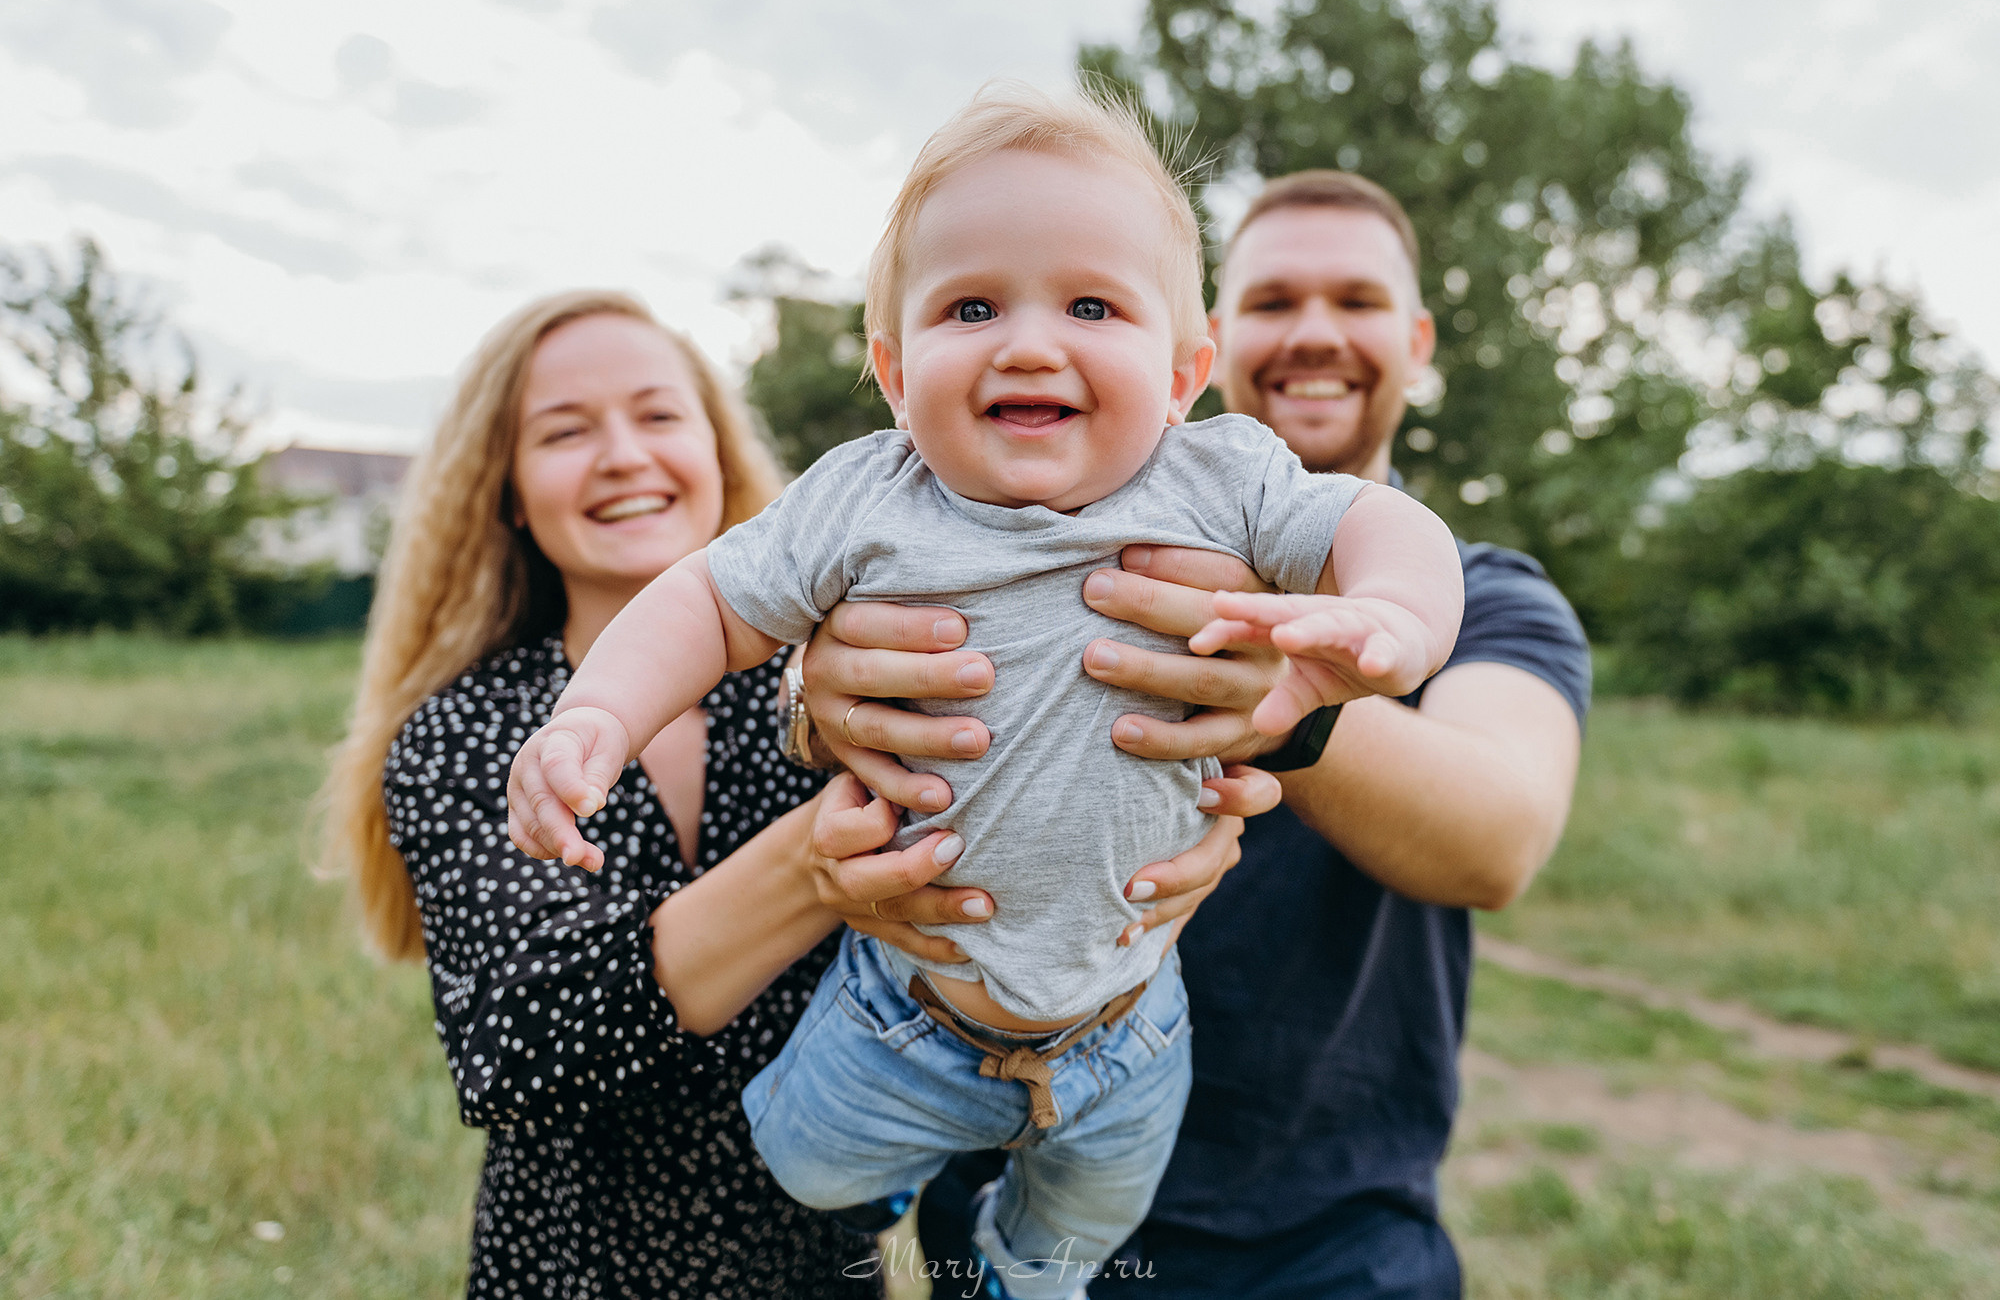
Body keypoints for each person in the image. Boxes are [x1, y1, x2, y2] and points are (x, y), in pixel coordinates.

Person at [506, 92, 1464, 1300]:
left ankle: (1020, 1269)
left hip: (1129, 1016)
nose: (1026, 344)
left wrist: (1394, 615)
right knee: (805, 1162)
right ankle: (901, 1172)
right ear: (893, 370)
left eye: (1090, 306)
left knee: (1084, 1225)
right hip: (909, 1005)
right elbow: (706, 599)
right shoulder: (866, 499)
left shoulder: (1222, 481)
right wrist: (595, 715)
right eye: (971, 307)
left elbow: (1381, 521)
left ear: (1183, 372)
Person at [807, 169, 1592, 1298]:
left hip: (1328, 1239)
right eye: (1274, 300)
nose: (1313, 331)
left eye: (1356, 300)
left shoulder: (1486, 595)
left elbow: (1497, 838)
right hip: (1009, 1199)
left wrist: (1276, 700)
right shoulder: (989, 527)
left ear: (1416, 342)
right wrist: (811, 699)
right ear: (1206, 346)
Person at [317, 290, 1019, 1297]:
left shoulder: (848, 685)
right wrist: (808, 867)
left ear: (716, 454)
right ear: (509, 490)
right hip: (571, 1273)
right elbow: (517, 1049)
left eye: (657, 414)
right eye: (565, 431)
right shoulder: (465, 729)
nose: (623, 455)